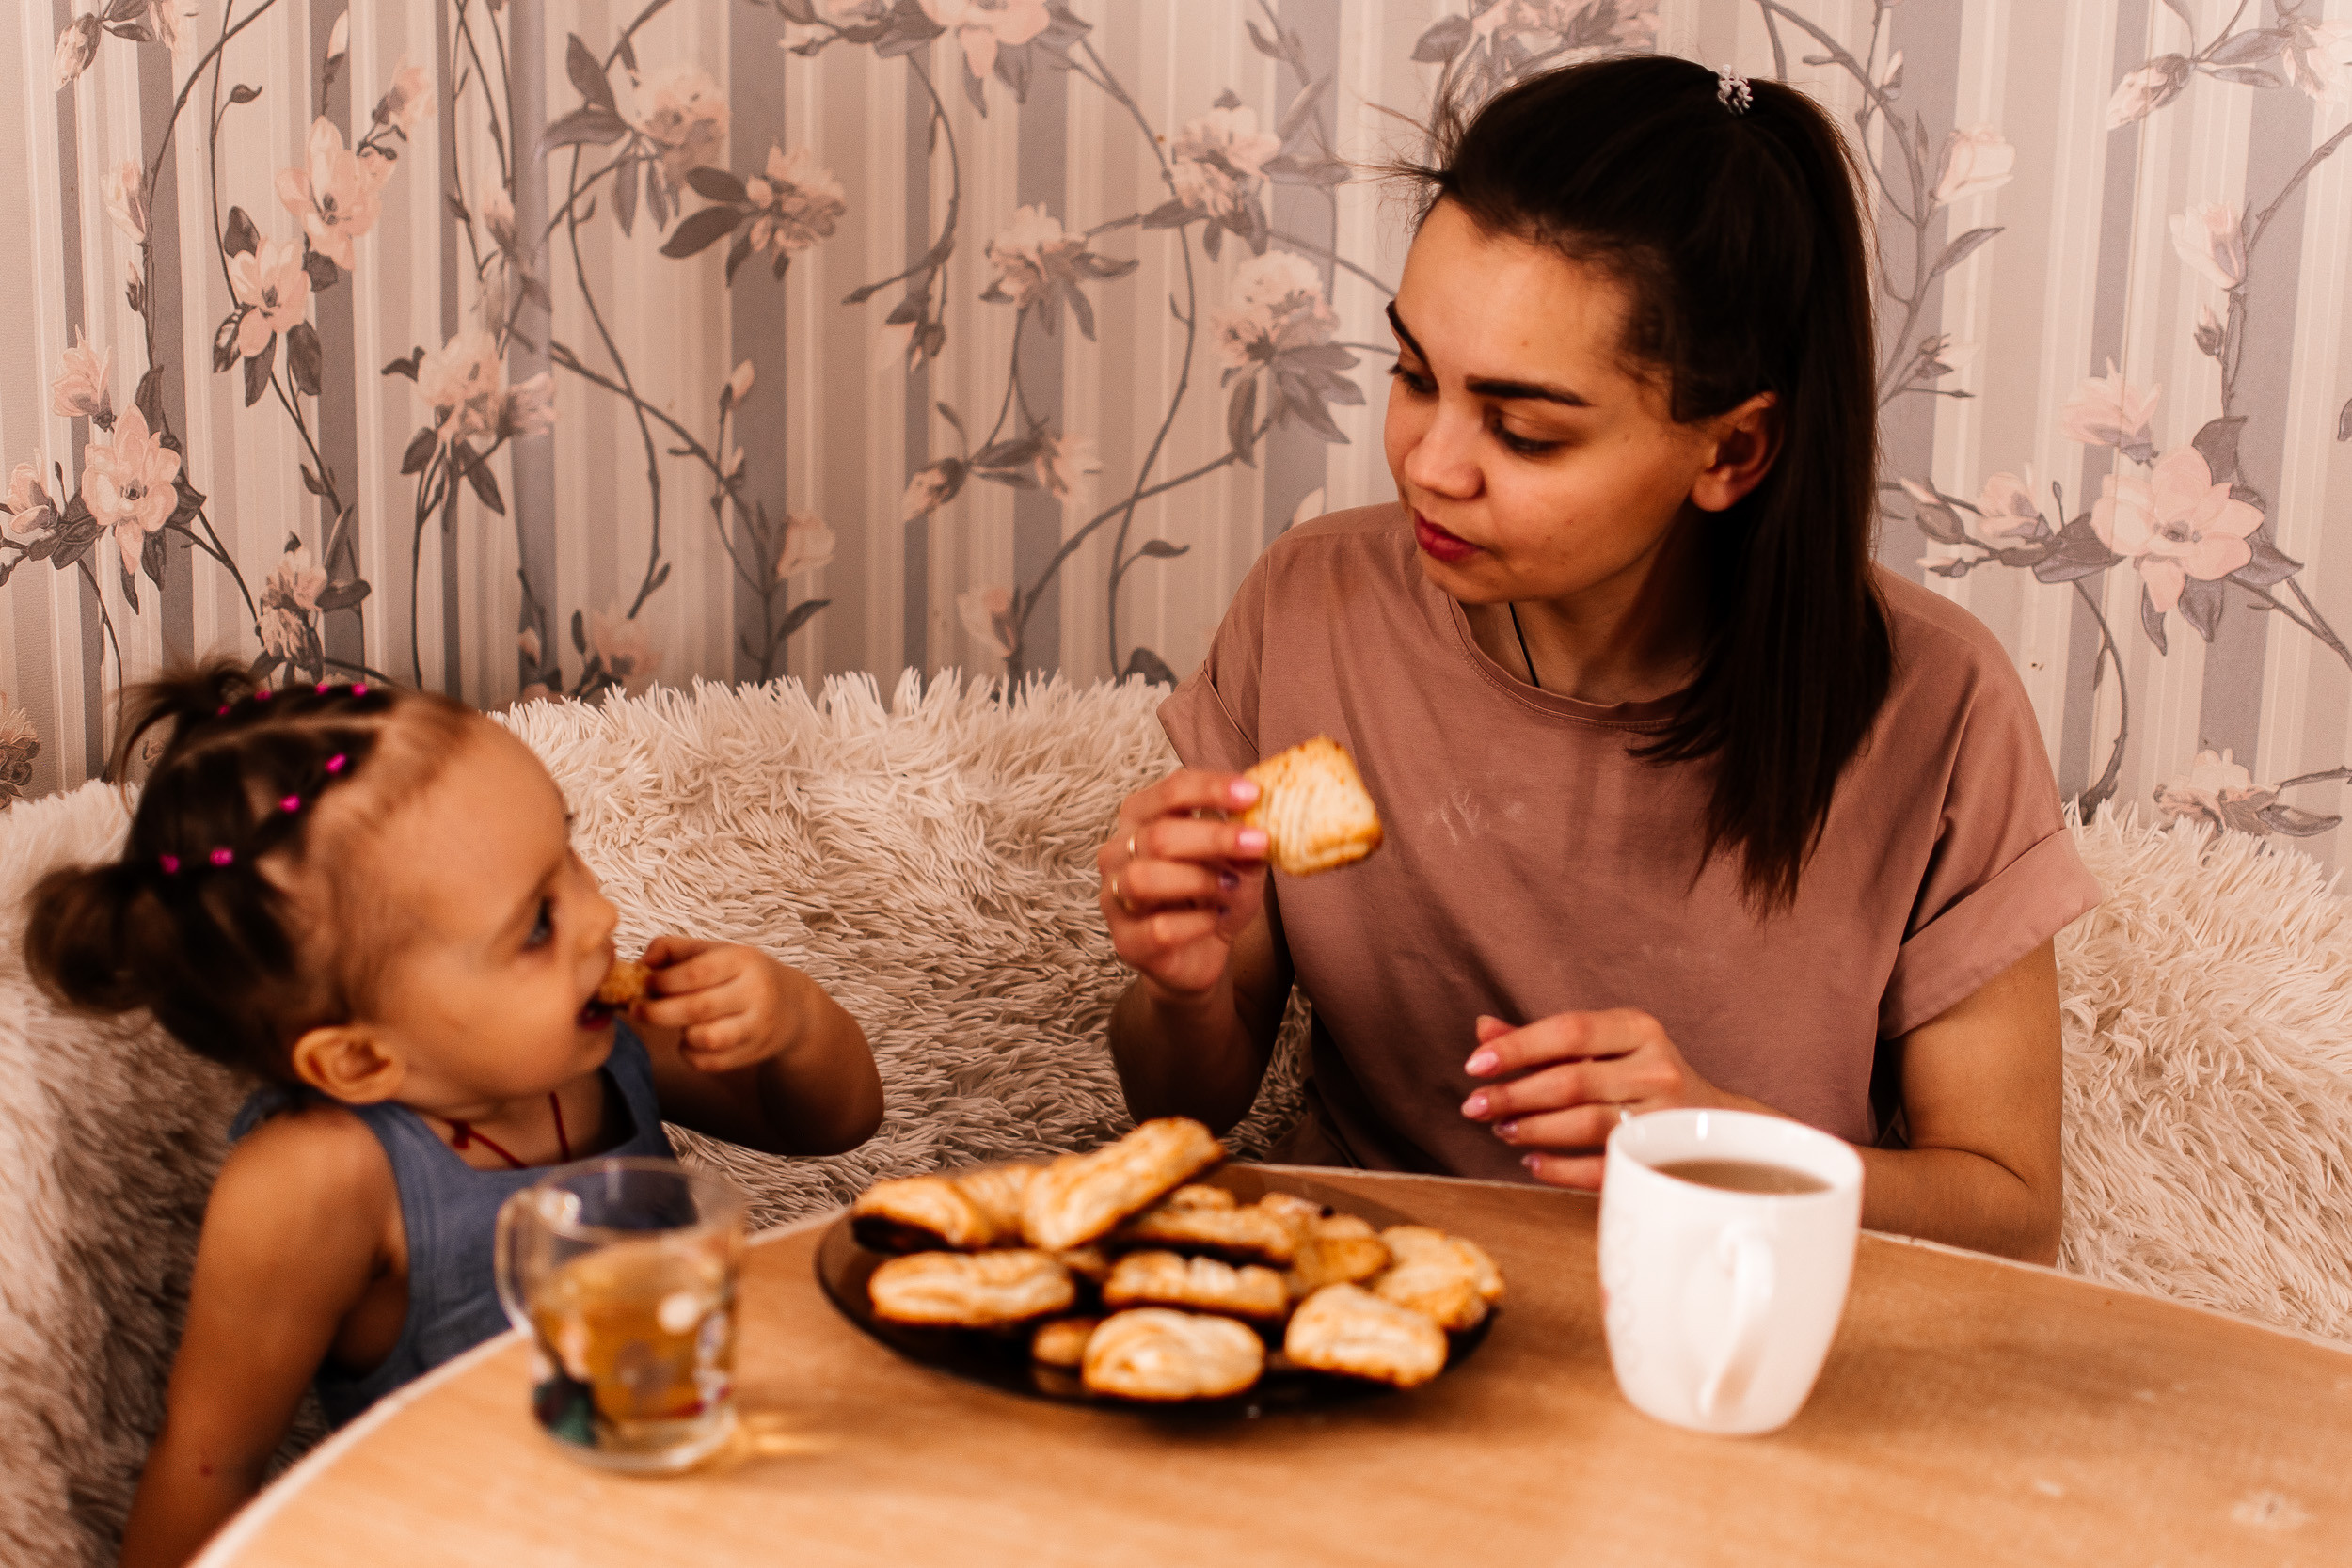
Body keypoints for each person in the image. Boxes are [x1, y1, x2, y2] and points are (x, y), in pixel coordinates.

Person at [1099, 56, 2099, 1266]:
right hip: (1352, 1313)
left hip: (1720, 1337)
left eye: (1522, 429)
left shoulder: (1937, 706)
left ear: (1731, 450)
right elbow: (1183, 1106)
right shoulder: (1312, 604)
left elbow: (2008, 1211)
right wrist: (1184, 984)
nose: (1428, 462)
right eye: (1414, 374)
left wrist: (1722, 1138)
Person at [27, 663, 883, 1567]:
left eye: (573, 852)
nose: (603, 915)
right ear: (361, 1056)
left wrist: (791, 1021)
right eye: (538, 925)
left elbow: (833, 1123)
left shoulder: (600, 1046)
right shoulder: (321, 1176)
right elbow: (212, 1466)